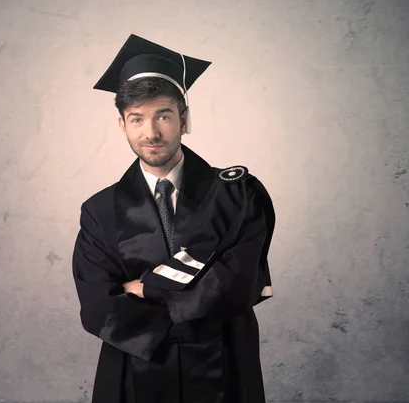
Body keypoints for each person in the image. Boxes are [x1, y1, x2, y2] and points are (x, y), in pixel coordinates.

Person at [72, 34, 276, 403]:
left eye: (163, 116)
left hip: (224, 365)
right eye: (136, 119)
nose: (150, 132)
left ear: (184, 120)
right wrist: (188, 306)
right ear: (122, 125)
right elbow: (98, 308)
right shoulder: (99, 211)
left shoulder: (236, 194)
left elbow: (236, 286)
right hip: (135, 373)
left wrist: (145, 289)